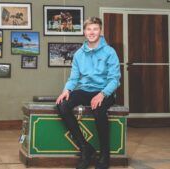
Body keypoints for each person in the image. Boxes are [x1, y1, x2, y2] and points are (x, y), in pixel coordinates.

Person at [56, 17, 121, 169]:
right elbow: (74, 78)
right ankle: (85, 148)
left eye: (95, 29)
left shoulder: (110, 52)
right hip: (85, 90)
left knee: (98, 109)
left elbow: (114, 79)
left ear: (100, 31)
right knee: (62, 105)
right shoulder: (79, 54)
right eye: (89, 29)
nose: (92, 32)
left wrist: (102, 94)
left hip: (105, 91)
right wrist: (66, 90)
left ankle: (105, 155)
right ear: (84, 32)